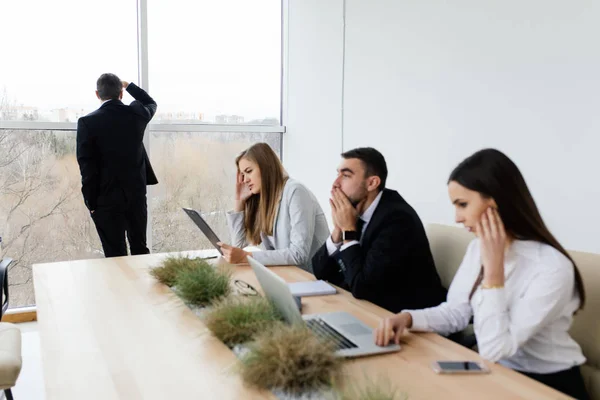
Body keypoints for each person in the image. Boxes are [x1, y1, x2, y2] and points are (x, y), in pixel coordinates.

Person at [374, 148, 589, 400]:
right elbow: (457, 312)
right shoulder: (478, 248)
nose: (457, 217)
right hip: (497, 374)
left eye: (463, 204)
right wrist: (408, 318)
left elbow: (495, 348)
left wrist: (494, 273)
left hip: (547, 386)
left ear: (496, 203)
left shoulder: (551, 267)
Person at [311, 147, 447, 313]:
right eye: (337, 174)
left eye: (346, 175)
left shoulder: (397, 219)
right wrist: (338, 231)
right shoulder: (356, 212)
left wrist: (348, 230)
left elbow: (362, 287)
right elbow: (319, 271)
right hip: (371, 309)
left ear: (372, 183)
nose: (335, 183)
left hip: (409, 320)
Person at [76, 73, 158, 257]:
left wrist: (90, 201)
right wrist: (129, 86)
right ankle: (142, 287)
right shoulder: (136, 114)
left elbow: (86, 166)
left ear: (97, 94)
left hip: (105, 199)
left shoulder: (87, 122)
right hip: (135, 196)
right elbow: (150, 102)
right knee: (140, 249)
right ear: (121, 94)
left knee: (114, 255)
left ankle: (120, 287)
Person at [218, 143, 329, 272]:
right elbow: (238, 245)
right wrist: (239, 202)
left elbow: (299, 254)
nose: (245, 180)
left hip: (316, 278)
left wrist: (247, 257)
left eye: (249, 171)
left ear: (266, 167)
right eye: (242, 174)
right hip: (290, 274)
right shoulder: (265, 199)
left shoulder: (295, 191)